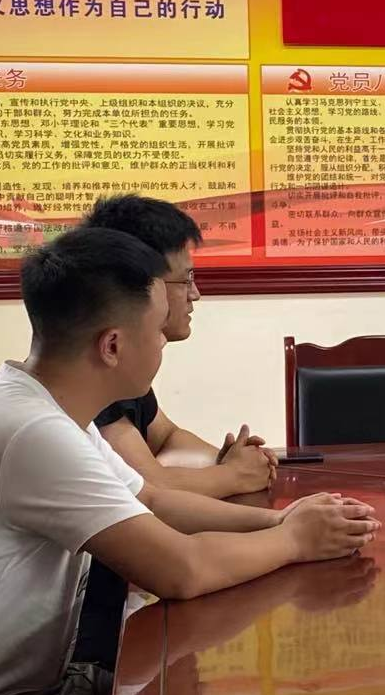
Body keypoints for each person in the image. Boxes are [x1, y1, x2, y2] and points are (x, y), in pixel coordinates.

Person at [0, 226, 380, 695]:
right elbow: (180, 570)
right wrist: (294, 540)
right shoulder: (33, 433)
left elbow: (153, 501)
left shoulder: (41, 406)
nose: (165, 342)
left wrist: (278, 521)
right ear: (112, 345)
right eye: (158, 329)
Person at [83, 195, 276, 500]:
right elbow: (146, 486)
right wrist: (234, 475)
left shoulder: (126, 361)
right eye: (186, 279)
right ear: (143, 284)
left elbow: (167, 438)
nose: (195, 294)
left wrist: (226, 463)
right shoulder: (93, 369)